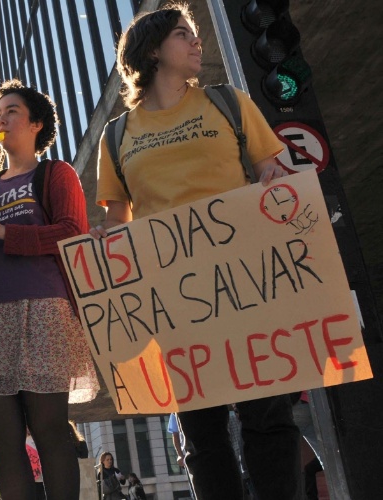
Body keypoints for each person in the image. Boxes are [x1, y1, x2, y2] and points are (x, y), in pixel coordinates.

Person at [92, 4, 298, 500]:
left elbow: (276, 171)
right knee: (202, 432)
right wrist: (104, 240)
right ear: (153, 51)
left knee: (267, 416)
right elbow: (119, 226)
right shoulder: (116, 135)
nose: (196, 42)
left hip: (249, 284)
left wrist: (273, 175)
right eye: (184, 34)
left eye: (195, 34)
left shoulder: (229, 103)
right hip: (177, 300)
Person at [0, 78, 97, 500]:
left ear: (36, 123)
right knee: (2, 439)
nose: (1, 118)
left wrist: (1, 231)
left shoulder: (56, 173)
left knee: (50, 429)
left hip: (45, 309)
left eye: (12, 111)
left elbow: (73, 232)